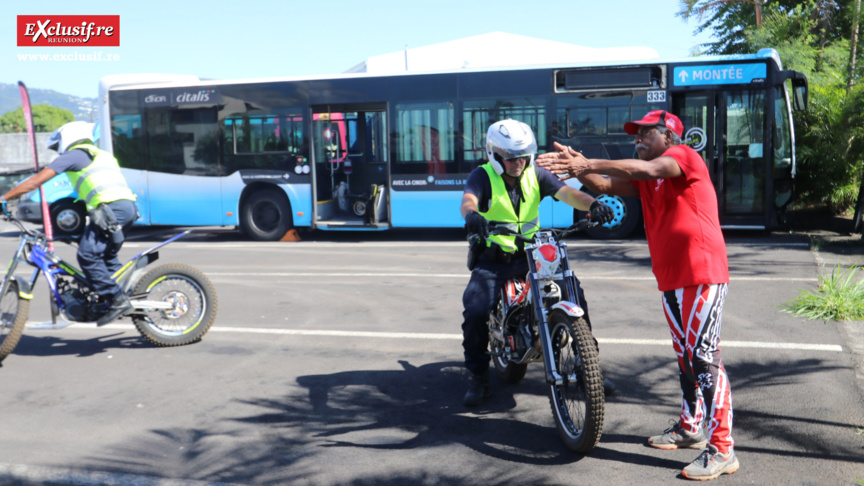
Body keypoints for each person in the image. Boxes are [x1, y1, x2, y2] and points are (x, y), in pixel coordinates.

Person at [536, 110, 738, 481]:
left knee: (704, 356)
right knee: (686, 355)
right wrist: (577, 167)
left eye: (646, 134)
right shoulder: (649, 178)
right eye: (636, 135)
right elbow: (607, 185)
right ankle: (690, 427)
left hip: (701, 272)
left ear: (669, 136)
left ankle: (723, 448)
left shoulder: (683, 158)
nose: (638, 140)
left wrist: (589, 160)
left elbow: (645, 170)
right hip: (671, 278)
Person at [460, 119, 615, 408]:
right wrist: (472, 216)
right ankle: (478, 376)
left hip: (532, 255)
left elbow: (568, 193)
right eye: (510, 157)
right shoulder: (481, 176)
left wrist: (593, 204)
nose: (518, 162)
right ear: (494, 155)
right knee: (475, 310)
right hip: (494, 260)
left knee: (574, 292)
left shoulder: (536, 174)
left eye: (522, 156)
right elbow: (469, 200)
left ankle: (587, 366)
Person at [1, 121, 139, 326]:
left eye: (58, 146)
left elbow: (34, 182)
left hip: (111, 210)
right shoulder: (100, 154)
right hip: (124, 208)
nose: (58, 151)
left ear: (68, 138)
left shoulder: (75, 155)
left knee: (87, 255)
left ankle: (117, 299)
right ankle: (129, 294)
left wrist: (4, 198)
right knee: (106, 257)